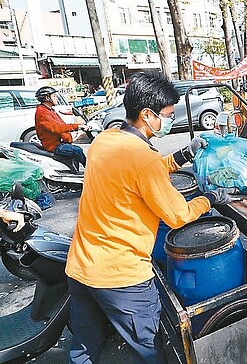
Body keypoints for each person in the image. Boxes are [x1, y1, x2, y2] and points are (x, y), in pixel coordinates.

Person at [65, 71, 233, 364]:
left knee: (84, 350)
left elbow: (138, 172)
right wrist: (210, 199)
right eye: (167, 115)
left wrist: (182, 155)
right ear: (147, 114)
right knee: (148, 351)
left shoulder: (106, 140)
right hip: (122, 277)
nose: (169, 120)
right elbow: (178, 215)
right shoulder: (143, 160)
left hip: (81, 267)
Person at [34, 86, 88, 171]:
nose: (56, 98)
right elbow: (56, 128)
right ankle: (90, 171)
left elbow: (60, 124)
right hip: (54, 146)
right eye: (54, 96)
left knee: (75, 153)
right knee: (77, 151)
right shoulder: (42, 112)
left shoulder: (49, 110)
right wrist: (77, 126)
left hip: (61, 142)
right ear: (47, 98)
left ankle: (76, 172)